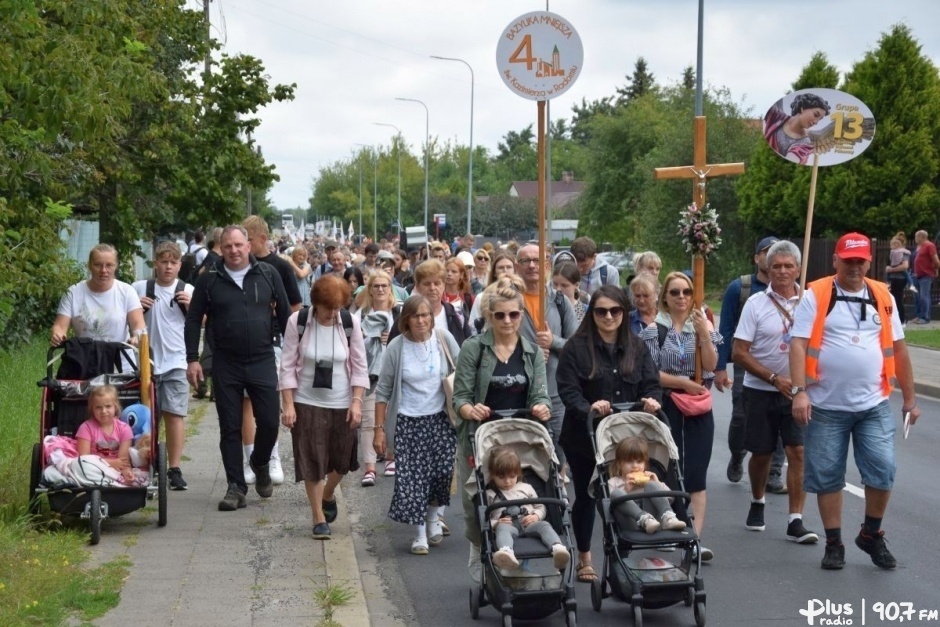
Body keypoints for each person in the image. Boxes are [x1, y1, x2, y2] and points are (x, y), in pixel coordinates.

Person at [789, 232, 919, 570]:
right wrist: (800, 391)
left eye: (860, 260)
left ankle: (870, 534)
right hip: (826, 405)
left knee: (884, 469)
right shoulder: (816, 294)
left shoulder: (882, 295)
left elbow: (900, 350)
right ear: (836, 261)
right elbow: (798, 344)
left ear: (869, 261)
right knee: (827, 475)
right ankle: (834, 543)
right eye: (848, 260)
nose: (855, 266)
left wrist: (909, 398)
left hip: (873, 403)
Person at [558, 285, 662, 582]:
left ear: (623, 312)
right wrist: (587, 406)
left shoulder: (636, 346)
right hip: (585, 435)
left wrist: (653, 399)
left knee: (625, 490)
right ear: (592, 313)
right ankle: (584, 557)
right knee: (588, 496)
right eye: (601, 310)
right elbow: (568, 389)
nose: (608, 316)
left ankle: (621, 552)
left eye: (615, 310)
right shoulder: (575, 348)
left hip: (625, 437)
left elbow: (651, 383)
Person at [184, 225, 291, 511]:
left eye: (239, 245)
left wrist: (291, 353)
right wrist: (192, 358)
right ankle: (236, 487)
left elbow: (285, 315)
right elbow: (194, 319)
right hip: (226, 362)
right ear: (221, 247)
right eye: (227, 246)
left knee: (269, 421)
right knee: (229, 427)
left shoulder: (268, 274)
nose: (233, 250)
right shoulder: (210, 280)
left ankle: (260, 461)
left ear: (248, 245)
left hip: (262, 358)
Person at [452, 276, 552, 581]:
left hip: (518, 437)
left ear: (521, 315)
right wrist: (471, 409)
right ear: (489, 317)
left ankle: (518, 555)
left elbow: (541, 394)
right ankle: (480, 550)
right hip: (481, 436)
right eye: (499, 315)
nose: (507, 320)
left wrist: (542, 406)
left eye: (513, 314)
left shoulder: (532, 351)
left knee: (519, 498)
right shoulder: (474, 348)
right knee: (479, 501)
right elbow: (460, 397)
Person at [731, 240, 818, 544]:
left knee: (798, 451)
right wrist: (771, 377)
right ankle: (757, 501)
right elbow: (739, 352)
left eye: (788, 266)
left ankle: (796, 519)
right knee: (762, 452)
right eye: (776, 266)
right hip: (759, 389)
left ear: (798, 269)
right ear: (767, 268)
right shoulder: (756, 304)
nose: (782, 271)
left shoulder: (810, 302)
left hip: (797, 390)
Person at [640, 271, 721, 561]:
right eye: (674, 292)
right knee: (669, 468)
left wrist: (703, 335)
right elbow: (649, 373)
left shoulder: (703, 326)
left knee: (697, 472)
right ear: (665, 298)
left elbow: (711, 365)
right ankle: (669, 526)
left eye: (686, 292)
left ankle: (695, 537)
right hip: (668, 404)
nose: (681, 298)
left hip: (698, 406)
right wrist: (683, 382)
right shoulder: (653, 331)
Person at [279, 275, 368, 539]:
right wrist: (288, 405)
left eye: (338, 307)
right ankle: (318, 516)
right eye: (328, 308)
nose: (333, 313)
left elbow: (360, 366)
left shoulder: (351, 324)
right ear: (316, 303)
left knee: (342, 460)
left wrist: (356, 401)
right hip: (306, 400)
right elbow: (286, 365)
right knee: (312, 459)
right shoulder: (299, 322)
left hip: (342, 401)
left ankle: (329, 494)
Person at [373, 295, 460, 555]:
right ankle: (420, 534)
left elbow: (463, 372)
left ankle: (434, 519)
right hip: (408, 423)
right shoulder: (396, 347)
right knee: (413, 481)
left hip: (441, 419)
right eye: (415, 316)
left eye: (425, 315)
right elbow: (383, 390)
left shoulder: (444, 339)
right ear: (406, 320)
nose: (421, 320)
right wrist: (379, 430)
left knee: (442, 474)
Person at [715, 236, 787, 493]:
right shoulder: (741, 288)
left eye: (776, 253)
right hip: (746, 365)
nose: (771, 258)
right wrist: (720, 367)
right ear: (757, 258)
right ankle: (737, 454)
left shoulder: (796, 291)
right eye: (766, 253)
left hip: (784, 366)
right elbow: (724, 329)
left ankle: (774, 472)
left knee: (781, 419)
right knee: (741, 416)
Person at [242, 216, 303, 487]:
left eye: (249, 241)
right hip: (243, 346)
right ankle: (248, 458)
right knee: (245, 403)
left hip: (272, 344)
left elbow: (296, 306)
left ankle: (271, 456)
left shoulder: (279, 267)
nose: (244, 247)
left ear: (262, 240)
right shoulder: (238, 266)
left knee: (270, 405)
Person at [133, 241, 194, 490]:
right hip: (145, 362)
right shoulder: (140, 287)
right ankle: (147, 463)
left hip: (177, 360)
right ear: (155, 263)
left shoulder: (187, 289)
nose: (168, 267)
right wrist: (137, 306)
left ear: (179, 265)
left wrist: (191, 307)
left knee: (175, 414)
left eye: (173, 262)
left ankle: (174, 468)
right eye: (163, 261)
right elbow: (128, 320)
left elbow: (203, 321)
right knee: (146, 417)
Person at [515, 243, 578, 480]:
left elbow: (576, 345)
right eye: (525, 261)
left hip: (555, 390)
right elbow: (495, 340)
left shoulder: (559, 301)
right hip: (519, 390)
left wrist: (554, 342)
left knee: (560, 447)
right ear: (516, 266)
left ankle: (557, 497)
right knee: (526, 453)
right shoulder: (507, 301)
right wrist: (529, 351)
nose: (532, 265)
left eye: (537, 260)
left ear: (546, 265)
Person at [351, 270, 401, 487]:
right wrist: (366, 335)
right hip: (369, 375)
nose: (380, 289)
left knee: (393, 417)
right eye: (376, 286)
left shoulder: (399, 313)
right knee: (369, 421)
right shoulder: (359, 316)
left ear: (390, 288)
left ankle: (391, 457)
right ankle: (370, 468)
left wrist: (391, 338)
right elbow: (351, 346)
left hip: (396, 374)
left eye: (384, 285)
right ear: (369, 289)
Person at [487, 447, 571, 571]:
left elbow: (540, 506)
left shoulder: (526, 488)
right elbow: (485, 518)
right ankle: (506, 552)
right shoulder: (490, 494)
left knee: (544, 525)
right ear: (492, 475)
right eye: (501, 477)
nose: (507, 481)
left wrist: (536, 516)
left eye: (512, 476)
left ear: (518, 474)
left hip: (529, 525)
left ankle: (557, 548)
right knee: (502, 529)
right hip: (508, 528)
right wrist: (496, 523)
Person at [51, 243, 146, 350]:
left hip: (120, 361)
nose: (104, 270)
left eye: (109, 265)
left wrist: (137, 335)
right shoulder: (73, 293)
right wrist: (58, 335)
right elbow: (60, 325)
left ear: (116, 265)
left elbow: (138, 323)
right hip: (84, 360)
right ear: (89, 265)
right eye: (98, 265)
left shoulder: (127, 291)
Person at [608, 437, 687, 534]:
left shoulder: (648, 480)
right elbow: (608, 507)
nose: (635, 466)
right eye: (629, 461)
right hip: (630, 525)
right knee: (616, 494)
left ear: (645, 464)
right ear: (620, 464)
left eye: (639, 461)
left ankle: (668, 518)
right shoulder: (614, 482)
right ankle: (643, 518)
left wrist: (657, 483)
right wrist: (625, 490)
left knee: (651, 485)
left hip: (654, 523)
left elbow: (670, 498)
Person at [389, 259, 471, 346]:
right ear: (417, 286)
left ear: (443, 285)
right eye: (427, 284)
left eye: (437, 283)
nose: (432, 288)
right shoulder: (405, 317)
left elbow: (467, 348)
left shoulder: (457, 316)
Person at [76, 384, 135, 484]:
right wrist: (110, 463)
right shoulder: (85, 428)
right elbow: (84, 458)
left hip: (117, 467)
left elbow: (123, 460)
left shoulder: (124, 429)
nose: (103, 411)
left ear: (115, 406)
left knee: (130, 476)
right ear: (92, 409)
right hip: (93, 467)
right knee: (79, 465)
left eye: (108, 406)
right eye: (98, 407)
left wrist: (127, 472)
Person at [763, 92, 831, 164]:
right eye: (815, 115)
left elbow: (792, 160)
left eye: (819, 119)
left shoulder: (804, 142)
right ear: (802, 108)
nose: (816, 122)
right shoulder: (777, 117)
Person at [468, 251, 517, 334]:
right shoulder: (482, 297)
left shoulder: (521, 295)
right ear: (494, 272)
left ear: (515, 270)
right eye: (501, 267)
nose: (505, 270)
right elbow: (473, 327)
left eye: (509, 267)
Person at [912, 229, 939, 324]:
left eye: (916, 237)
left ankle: (925, 317)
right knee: (916, 296)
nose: (915, 239)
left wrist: (935, 269)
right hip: (916, 275)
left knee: (924, 296)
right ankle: (919, 315)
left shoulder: (929, 245)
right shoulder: (919, 246)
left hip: (926, 275)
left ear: (921, 237)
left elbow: (936, 260)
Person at [443, 257, 474, 325]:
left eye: (454, 271)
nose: (449, 274)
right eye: (447, 271)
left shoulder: (468, 298)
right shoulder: (438, 295)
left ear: (461, 275)